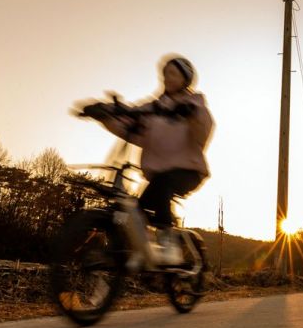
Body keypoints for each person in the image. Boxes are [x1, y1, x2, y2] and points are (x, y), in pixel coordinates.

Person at [86, 56, 214, 264]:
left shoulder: (194, 103)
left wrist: (192, 114)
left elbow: (204, 131)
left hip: (189, 171)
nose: (167, 78)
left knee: (163, 184)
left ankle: (168, 245)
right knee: (137, 210)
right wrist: (105, 115)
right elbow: (130, 121)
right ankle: (141, 251)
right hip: (159, 177)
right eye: (164, 74)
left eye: (173, 74)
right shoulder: (154, 108)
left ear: (185, 79)